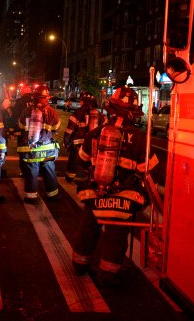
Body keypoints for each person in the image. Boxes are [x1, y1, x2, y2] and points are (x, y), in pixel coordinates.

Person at [71, 86, 159, 286]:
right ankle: (107, 275)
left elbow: (82, 161)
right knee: (116, 238)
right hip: (123, 200)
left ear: (111, 108)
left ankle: (79, 265)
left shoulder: (96, 133)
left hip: (95, 194)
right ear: (133, 113)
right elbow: (150, 170)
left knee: (87, 231)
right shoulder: (139, 138)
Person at [17, 85, 62, 204]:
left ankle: (31, 197)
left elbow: (21, 126)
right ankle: (53, 195)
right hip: (47, 148)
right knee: (49, 171)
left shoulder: (26, 111)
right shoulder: (52, 112)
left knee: (31, 173)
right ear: (46, 97)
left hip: (31, 148)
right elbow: (56, 128)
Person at [63, 91, 105, 183]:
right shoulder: (99, 114)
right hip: (92, 143)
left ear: (83, 101)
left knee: (73, 160)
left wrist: (66, 141)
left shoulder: (78, 112)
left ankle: (70, 177)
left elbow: (70, 128)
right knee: (91, 161)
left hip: (78, 143)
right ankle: (91, 178)